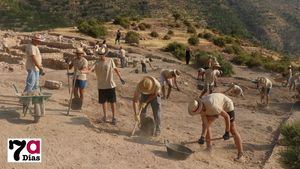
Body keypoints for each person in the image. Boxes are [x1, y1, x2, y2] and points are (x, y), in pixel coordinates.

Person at [188, 93, 245, 162]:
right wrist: (202, 137)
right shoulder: (201, 109)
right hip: (214, 106)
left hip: (227, 105)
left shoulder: (213, 106)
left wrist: (226, 132)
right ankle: (209, 149)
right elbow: (205, 124)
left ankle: (240, 155)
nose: (199, 113)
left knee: (232, 129)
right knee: (207, 124)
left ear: (200, 107)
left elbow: (226, 117)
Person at [91, 50, 125, 125]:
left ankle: (114, 117)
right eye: (99, 55)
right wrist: (82, 71)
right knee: (103, 102)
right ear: (98, 55)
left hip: (110, 85)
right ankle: (105, 116)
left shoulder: (110, 60)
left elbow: (115, 69)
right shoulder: (96, 62)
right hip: (101, 85)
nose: (101, 56)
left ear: (104, 54)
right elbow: (90, 69)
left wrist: (120, 78)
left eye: (102, 54)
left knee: (112, 102)